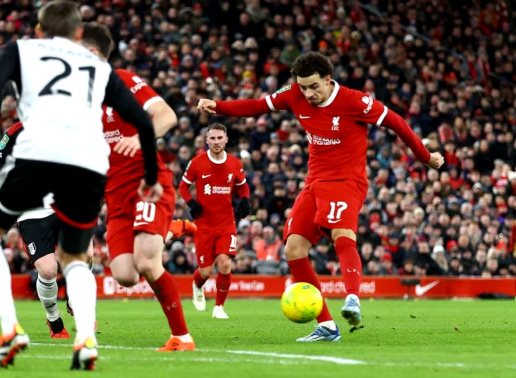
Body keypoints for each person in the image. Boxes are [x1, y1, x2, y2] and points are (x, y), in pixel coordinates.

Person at [198, 52, 444, 341]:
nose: (308, 93)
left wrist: (425, 157)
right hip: (314, 182)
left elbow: (397, 123)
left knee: (341, 232)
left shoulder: (355, 101)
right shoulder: (294, 95)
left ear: (328, 80)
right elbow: (257, 105)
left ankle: (353, 298)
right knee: (293, 249)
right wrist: (219, 107)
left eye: (314, 86)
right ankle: (327, 325)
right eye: (303, 87)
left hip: (347, 181)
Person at [0, 1, 159, 371]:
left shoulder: (21, 50)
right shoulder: (99, 66)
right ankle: (85, 338)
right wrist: (151, 176)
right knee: (76, 259)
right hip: (88, 164)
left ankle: (10, 328)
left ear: (40, 31)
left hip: (38, 154)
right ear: (79, 34)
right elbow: (141, 118)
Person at [81, 23, 195, 351]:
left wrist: (139, 135)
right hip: (115, 197)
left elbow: (166, 115)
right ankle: (171, 229)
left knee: (147, 262)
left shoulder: (123, 81)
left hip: (149, 185)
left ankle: (182, 337)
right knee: (126, 275)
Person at [0, 121, 70, 339]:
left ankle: (74, 299)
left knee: (86, 257)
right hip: (32, 213)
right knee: (47, 271)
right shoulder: (15, 132)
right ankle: (53, 318)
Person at [178, 123, 251, 319]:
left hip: (227, 223)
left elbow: (243, 187)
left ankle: (219, 307)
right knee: (205, 271)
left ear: (226, 139)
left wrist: (245, 200)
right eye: (213, 138)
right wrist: (191, 203)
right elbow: (183, 187)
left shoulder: (235, 163)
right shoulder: (197, 162)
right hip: (204, 225)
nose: (216, 142)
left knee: (225, 263)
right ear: (207, 140)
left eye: (220, 138)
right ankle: (197, 286)